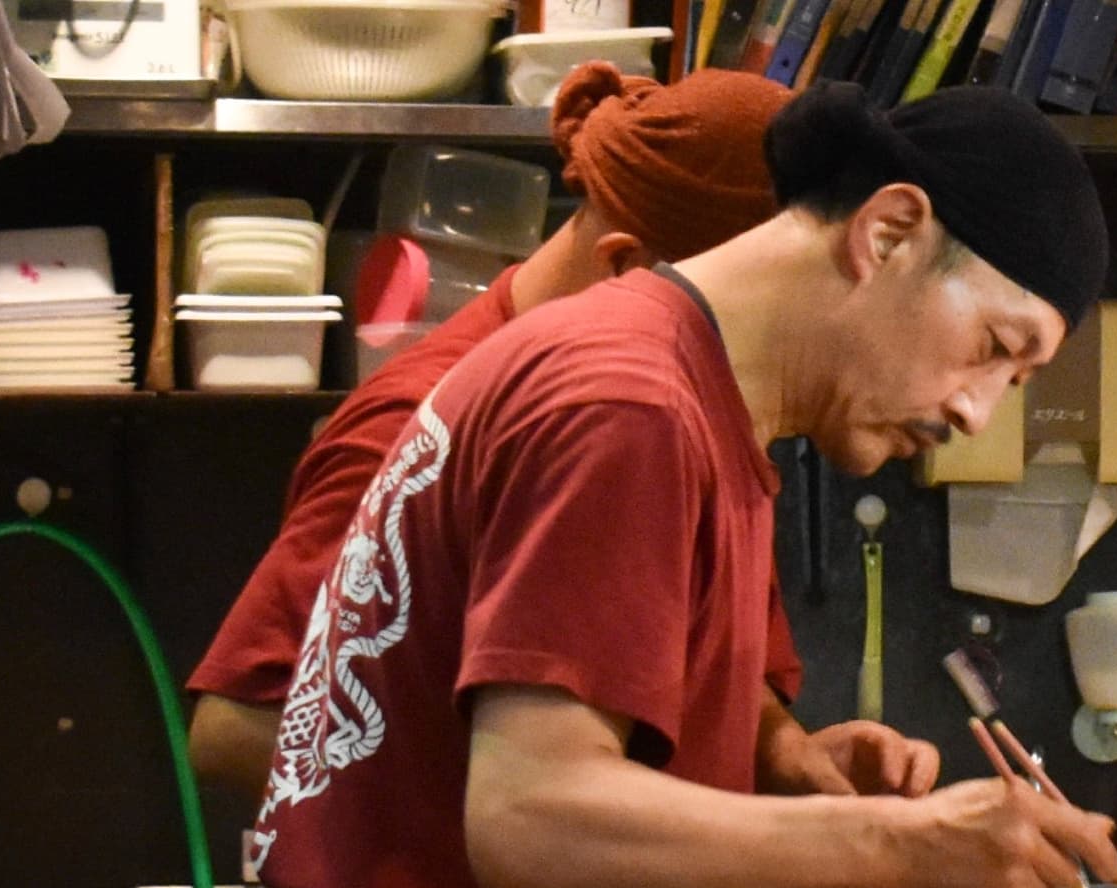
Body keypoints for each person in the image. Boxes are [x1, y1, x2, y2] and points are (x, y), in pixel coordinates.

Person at [218, 80, 1116, 888]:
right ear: (890, 230)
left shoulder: (685, 399)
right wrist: (904, 847)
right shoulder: (628, 404)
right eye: (996, 348)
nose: (980, 412)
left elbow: (638, 885)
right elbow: (534, 821)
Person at [188, 64, 930, 809]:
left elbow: (699, 671)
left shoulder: (706, 413)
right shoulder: (425, 424)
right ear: (628, 270)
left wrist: (781, 753)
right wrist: (540, 810)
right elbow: (240, 729)